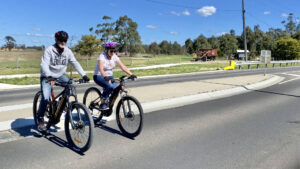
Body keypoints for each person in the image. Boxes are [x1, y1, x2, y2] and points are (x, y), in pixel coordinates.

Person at [37, 30, 90, 131]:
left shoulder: (68, 51)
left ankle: (61, 104)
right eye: (61, 40)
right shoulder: (49, 50)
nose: (63, 42)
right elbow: (44, 64)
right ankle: (40, 119)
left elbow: (75, 63)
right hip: (47, 76)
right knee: (45, 99)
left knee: (71, 84)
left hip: (60, 75)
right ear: (56, 40)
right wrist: (49, 76)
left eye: (65, 40)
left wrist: (84, 75)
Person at [94, 42, 136, 110]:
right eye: (111, 51)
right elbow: (101, 69)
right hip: (99, 76)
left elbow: (122, 66)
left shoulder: (114, 56)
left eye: (114, 51)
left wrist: (131, 74)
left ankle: (109, 103)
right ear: (106, 50)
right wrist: (105, 76)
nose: (113, 52)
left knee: (115, 89)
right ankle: (103, 102)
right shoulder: (102, 56)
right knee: (110, 86)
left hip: (109, 76)